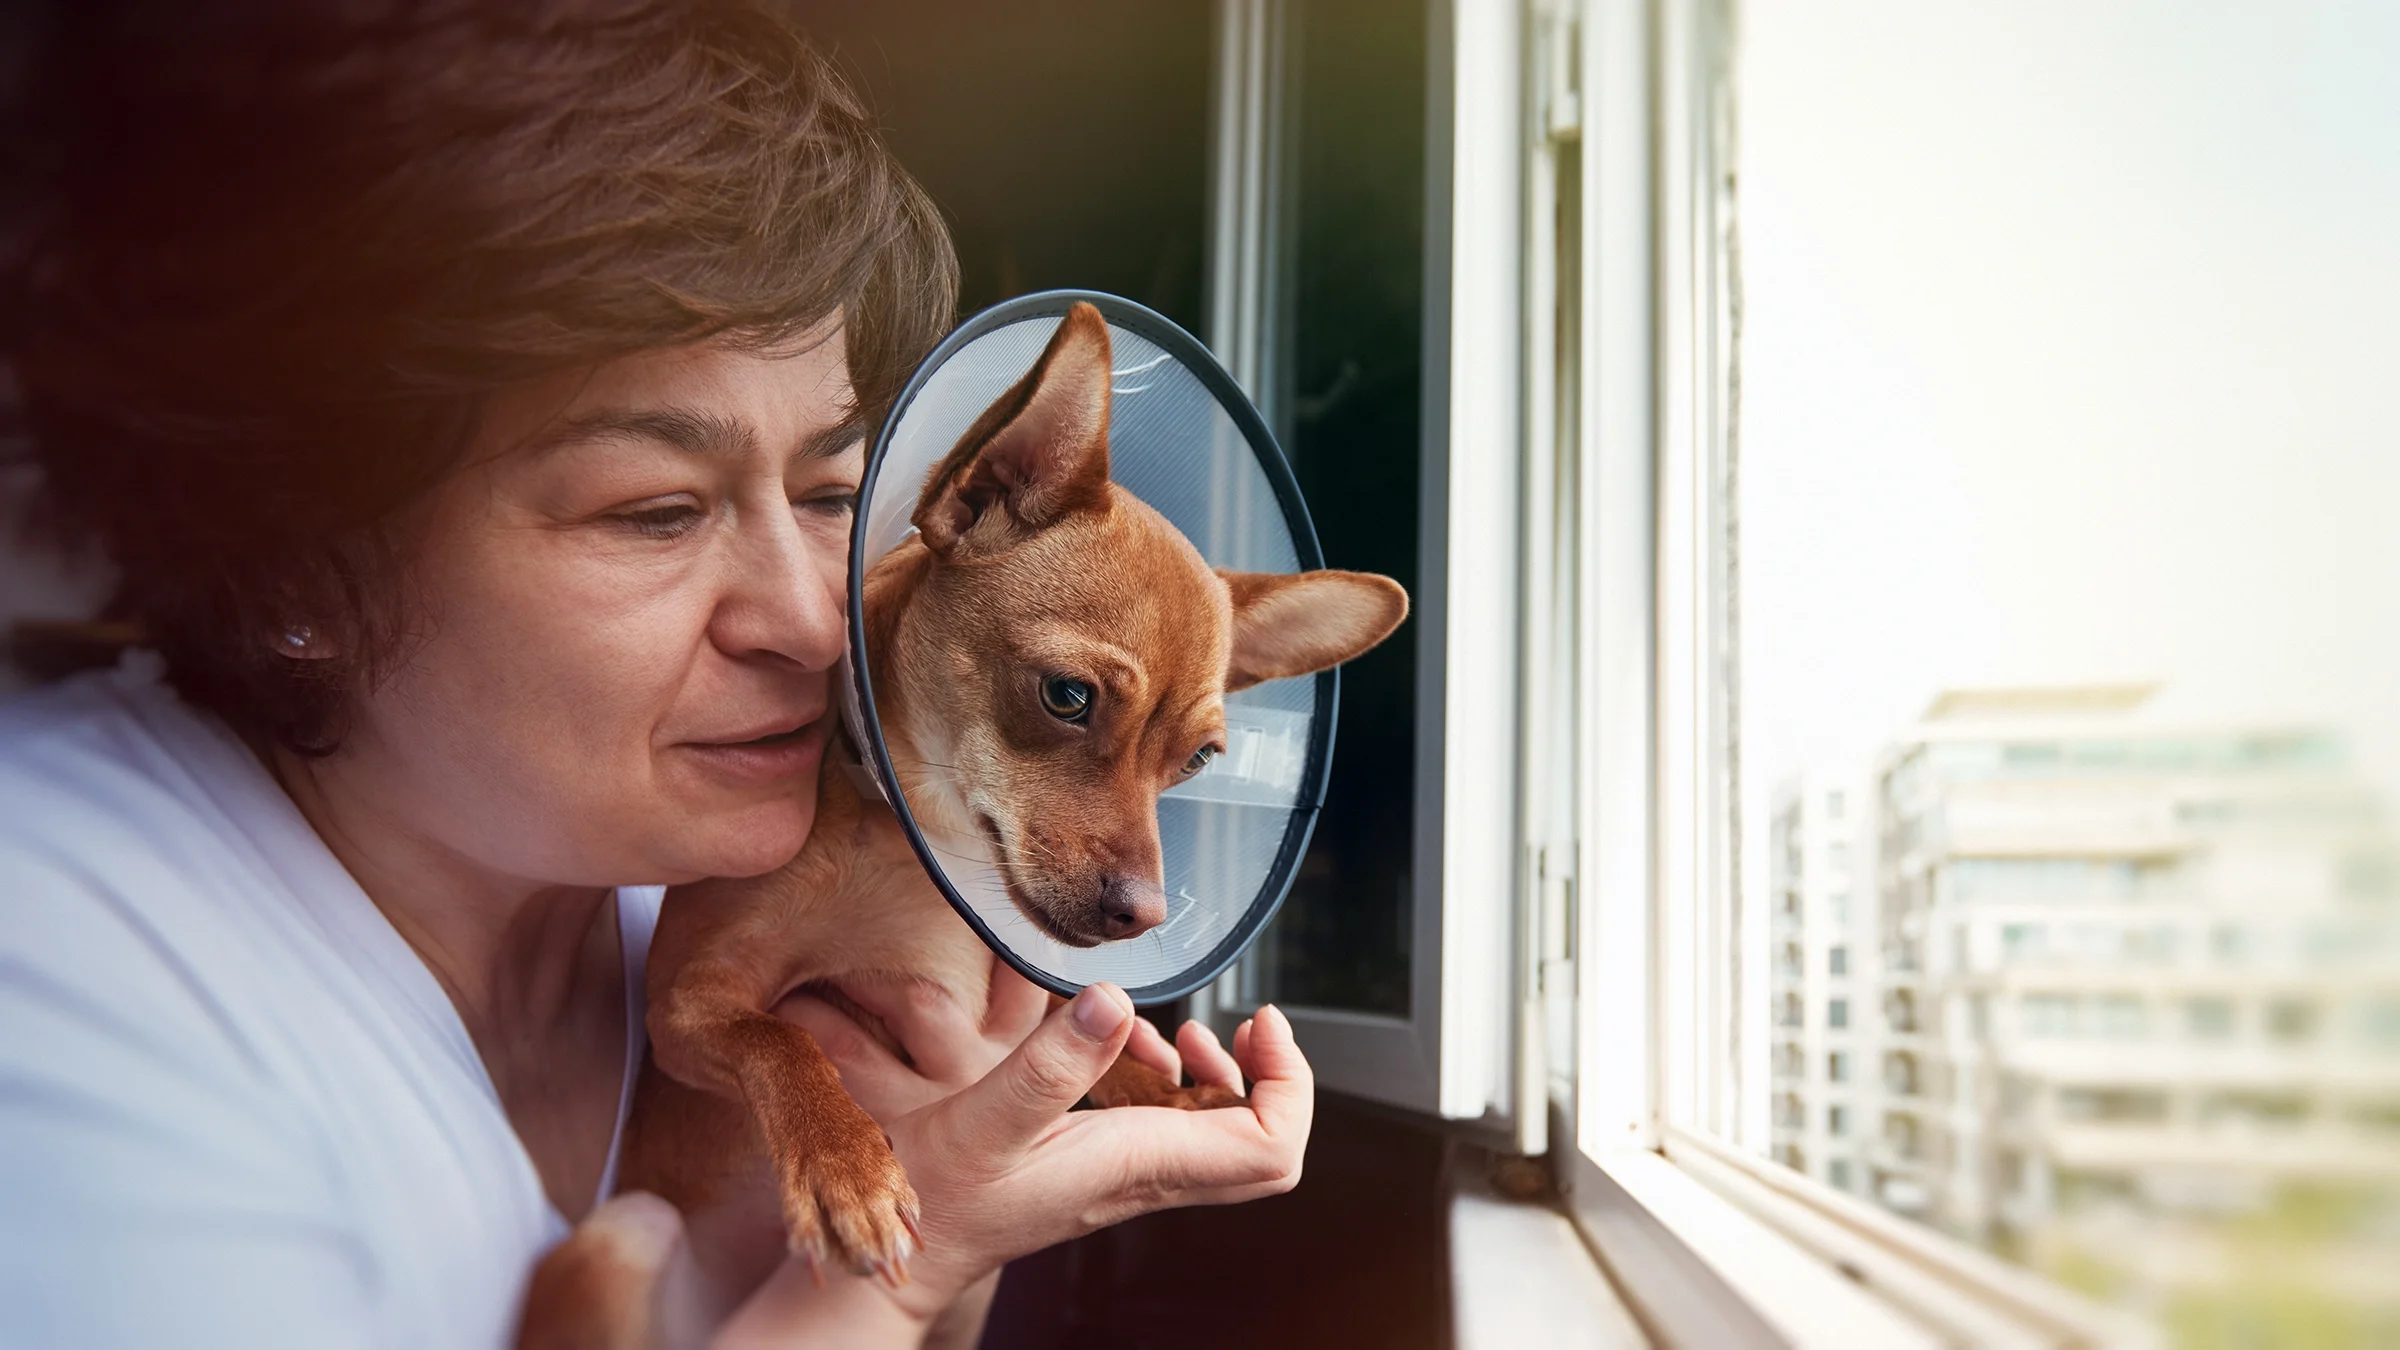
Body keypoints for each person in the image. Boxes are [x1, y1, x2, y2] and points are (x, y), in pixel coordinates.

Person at [0, 2, 1311, 1346]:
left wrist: (950, 1213)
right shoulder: (62, 972)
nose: (815, 620)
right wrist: (905, 1271)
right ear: (290, 571)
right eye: (655, 512)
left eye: (831, 489)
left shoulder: (698, 885)